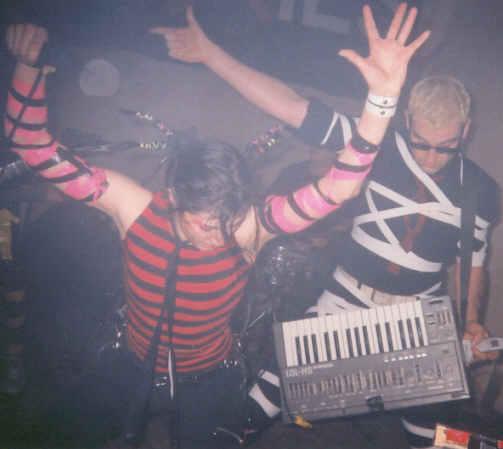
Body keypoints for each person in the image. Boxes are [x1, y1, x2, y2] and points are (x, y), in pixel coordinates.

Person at [5, 4, 426, 448]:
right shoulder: (134, 207)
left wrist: (382, 99)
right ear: (176, 201)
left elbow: (341, 187)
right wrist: (27, 68)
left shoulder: (248, 227)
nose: (219, 235)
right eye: (205, 224)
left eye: (228, 221)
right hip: (131, 360)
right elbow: (32, 147)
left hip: (208, 377)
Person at [158, 2, 500, 447]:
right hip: (345, 299)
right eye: (421, 143)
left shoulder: (481, 189)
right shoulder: (378, 141)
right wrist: (211, 55)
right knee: (257, 405)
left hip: (419, 317)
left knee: (433, 437)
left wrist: (471, 320)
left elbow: (472, 263)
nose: (432, 157)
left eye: (445, 146)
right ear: (407, 122)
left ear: (466, 130)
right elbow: (294, 107)